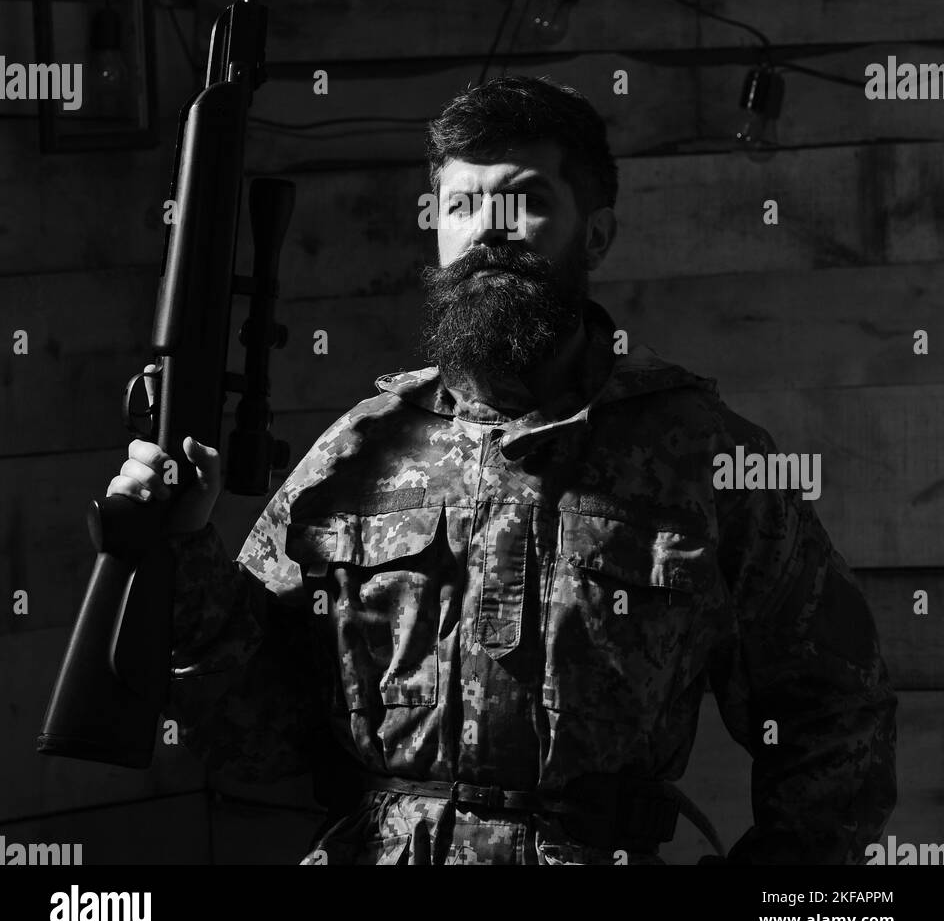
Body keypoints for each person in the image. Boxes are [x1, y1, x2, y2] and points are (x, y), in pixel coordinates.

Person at [108, 75, 896, 865]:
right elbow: (253, 737)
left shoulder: (701, 457)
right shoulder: (358, 454)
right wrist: (183, 550)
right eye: (461, 206)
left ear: (594, 235)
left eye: (525, 201)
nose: (490, 231)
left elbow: (837, 713)